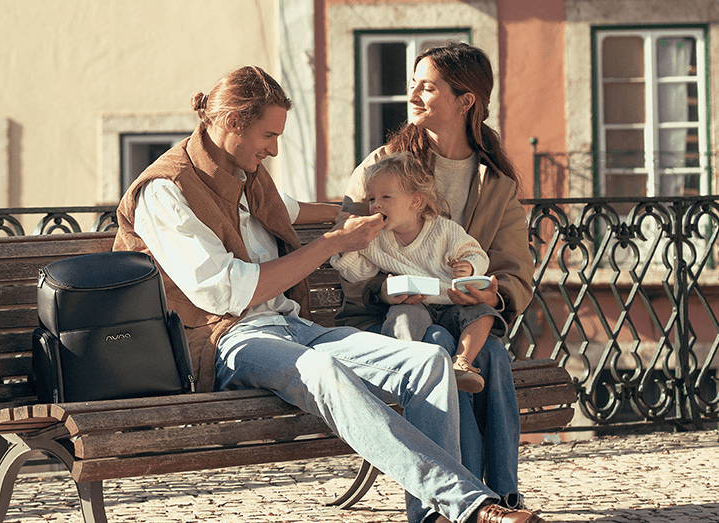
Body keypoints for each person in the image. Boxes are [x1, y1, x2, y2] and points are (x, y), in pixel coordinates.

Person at [114, 64, 543, 523]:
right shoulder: (165, 191)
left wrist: (368, 217)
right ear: (232, 122)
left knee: (429, 363)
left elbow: (292, 209)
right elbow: (226, 294)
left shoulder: (245, 175)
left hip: (294, 327)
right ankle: (470, 506)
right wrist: (333, 244)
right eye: (268, 136)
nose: (274, 149)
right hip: (228, 340)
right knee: (325, 370)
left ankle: (430, 517)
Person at [336, 42, 534, 510]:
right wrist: (380, 290)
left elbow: (514, 273)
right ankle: (463, 501)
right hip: (396, 321)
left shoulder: (496, 181)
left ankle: (499, 493)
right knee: (439, 356)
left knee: (493, 360)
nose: (414, 95)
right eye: (413, 84)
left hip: (465, 314)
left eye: (428, 87)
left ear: (466, 101)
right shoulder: (383, 167)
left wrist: (491, 289)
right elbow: (347, 246)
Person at [330, 152, 507, 394]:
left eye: (385, 197)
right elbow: (359, 272)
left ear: (415, 201)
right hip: (417, 304)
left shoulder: (444, 230)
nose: (376, 205)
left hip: (451, 303)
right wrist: (345, 247)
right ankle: (403, 367)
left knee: (484, 313)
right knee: (402, 315)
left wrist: (469, 266)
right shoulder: (377, 238)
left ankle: (462, 362)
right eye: (372, 199)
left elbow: (476, 253)